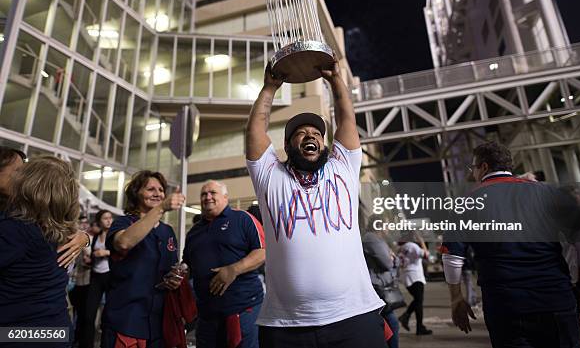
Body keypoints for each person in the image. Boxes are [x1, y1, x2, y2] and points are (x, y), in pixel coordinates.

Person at [246, 59, 386, 347]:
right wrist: (270, 88)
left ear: (325, 144)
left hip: (355, 317)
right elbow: (255, 131)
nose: (310, 135)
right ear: (287, 147)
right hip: (286, 327)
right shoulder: (270, 177)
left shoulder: (343, 167)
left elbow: (347, 119)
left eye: (317, 134)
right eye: (301, 133)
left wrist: (336, 80)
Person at [442, 141, 580, 348]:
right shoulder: (549, 192)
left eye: (473, 168)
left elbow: (452, 257)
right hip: (555, 299)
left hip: (505, 305)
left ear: (484, 167)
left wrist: (456, 299)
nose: (473, 174)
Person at [0, 156, 80, 347]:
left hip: (20, 333)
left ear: (30, 184)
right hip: (57, 329)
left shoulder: (15, 230)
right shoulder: (64, 230)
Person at [102, 170, 185, 347]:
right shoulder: (123, 223)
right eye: (150, 189)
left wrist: (174, 279)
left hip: (159, 322)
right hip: (126, 318)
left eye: (161, 190)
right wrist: (161, 208)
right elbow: (124, 243)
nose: (158, 193)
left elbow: (171, 268)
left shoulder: (167, 231)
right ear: (136, 193)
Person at [183, 180, 265, 348]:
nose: (208, 197)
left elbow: (263, 252)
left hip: (243, 310)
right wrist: (180, 271)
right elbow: (188, 264)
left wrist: (234, 269)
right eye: (203, 194)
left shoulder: (243, 219)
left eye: (213, 193)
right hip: (207, 316)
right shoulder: (194, 232)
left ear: (226, 197)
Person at [362, 227, 402, 348]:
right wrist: (392, 258)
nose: (389, 228)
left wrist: (393, 259)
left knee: (388, 323)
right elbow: (388, 263)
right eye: (387, 224)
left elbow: (396, 260)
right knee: (392, 323)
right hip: (377, 286)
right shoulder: (371, 239)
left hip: (380, 284)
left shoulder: (378, 239)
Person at [83, 210, 113, 348]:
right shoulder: (96, 236)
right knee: (89, 314)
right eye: (105, 218)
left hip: (110, 275)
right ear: (99, 221)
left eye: (110, 218)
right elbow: (93, 255)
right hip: (96, 276)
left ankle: (106, 344)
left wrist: (106, 252)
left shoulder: (114, 235)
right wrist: (90, 258)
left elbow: (124, 250)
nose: (108, 220)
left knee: (108, 315)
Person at [397, 234, 433, 335]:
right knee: (419, 301)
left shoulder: (402, 248)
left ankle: (409, 319)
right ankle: (416, 325)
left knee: (418, 300)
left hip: (406, 276)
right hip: (415, 276)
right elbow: (426, 255)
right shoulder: (413, 246)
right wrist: (422, 242)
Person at [69, 216, 93, 348]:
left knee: (81, 314)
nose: (83, 225)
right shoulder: (73, 238)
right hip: (71, 281)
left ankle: (76, 338)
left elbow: (89, 260)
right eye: (81, 222)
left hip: (85, 282)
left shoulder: (89, 240)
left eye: (86, 223)